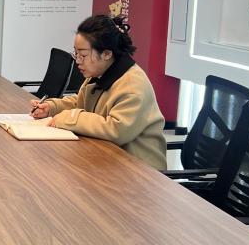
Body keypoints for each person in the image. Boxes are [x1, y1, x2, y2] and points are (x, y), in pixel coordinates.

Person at [30, 15, 167, 170]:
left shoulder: (133, 86)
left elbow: (116, 130)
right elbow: (81, 102)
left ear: (107, 54)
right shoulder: (100, 72)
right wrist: (51, 107)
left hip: (141, 171)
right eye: (76, 54)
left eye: (83, 55)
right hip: (110, 160)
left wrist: (71, 118)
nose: (78, 61)